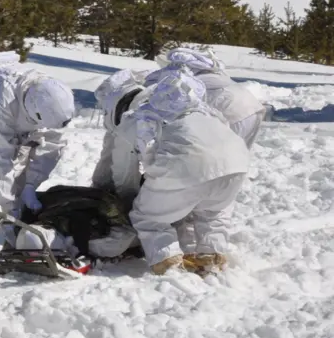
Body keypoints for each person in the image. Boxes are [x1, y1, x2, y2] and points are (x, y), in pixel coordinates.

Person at [93, 68, 250, 275]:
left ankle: (168, 263)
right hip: (237, 162)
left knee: (147, 218)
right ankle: (212, 255)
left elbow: (124, 176)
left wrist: (129, 205)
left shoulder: (135, 118)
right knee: (212, 211)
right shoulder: (196, 108)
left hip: (188, 165)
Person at [0, 52, 76, 246]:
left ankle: (14, 223)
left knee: (19, 181)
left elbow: (51, 146)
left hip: (16, 123)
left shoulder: (53, 99)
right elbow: (0, 160)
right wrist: (10, 212)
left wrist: (30, 185)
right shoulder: (3, 96)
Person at [150, 48, 266, 148]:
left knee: (220, 155)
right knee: (239, 155)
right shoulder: (211, 70)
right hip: (253, 107)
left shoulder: (182, 77)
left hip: (231, 112)